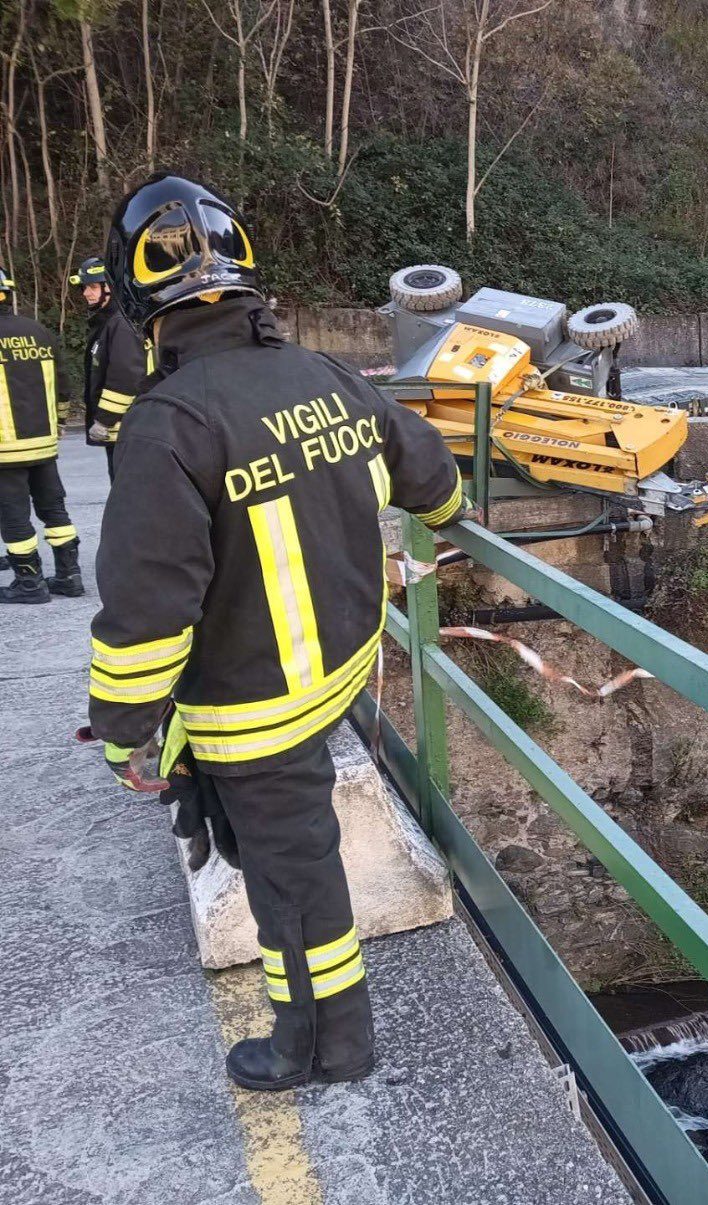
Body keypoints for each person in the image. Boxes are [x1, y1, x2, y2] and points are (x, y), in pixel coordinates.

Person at [89, 175, 467, 1090]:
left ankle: (322, 1047)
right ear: (250, 278)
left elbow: (147, 614)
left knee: (292, 886)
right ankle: (328, 1036)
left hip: (252, 708)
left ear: (145, 311)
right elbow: (439, 485)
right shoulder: (327, 377)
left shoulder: (168, 426)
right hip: (336, 671)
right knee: (299, 864)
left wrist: (123, 733)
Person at [0, 265, 82, 603]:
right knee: (54, 509)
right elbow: (63, 387)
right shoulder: (39, 332)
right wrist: (59, 425)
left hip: (5, 450)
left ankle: (30, 584)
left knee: (14, 517)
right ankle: (69, 577)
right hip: (44, 445)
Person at [72, 255, 151, 479]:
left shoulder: (121, 324)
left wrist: (104, 420)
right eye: (85, 288)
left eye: (93, 287)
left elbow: (126, 377)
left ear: (111, 288)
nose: (86, 293)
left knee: (129, 494)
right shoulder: (110, 323)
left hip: (125, 430)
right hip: (121, 431)